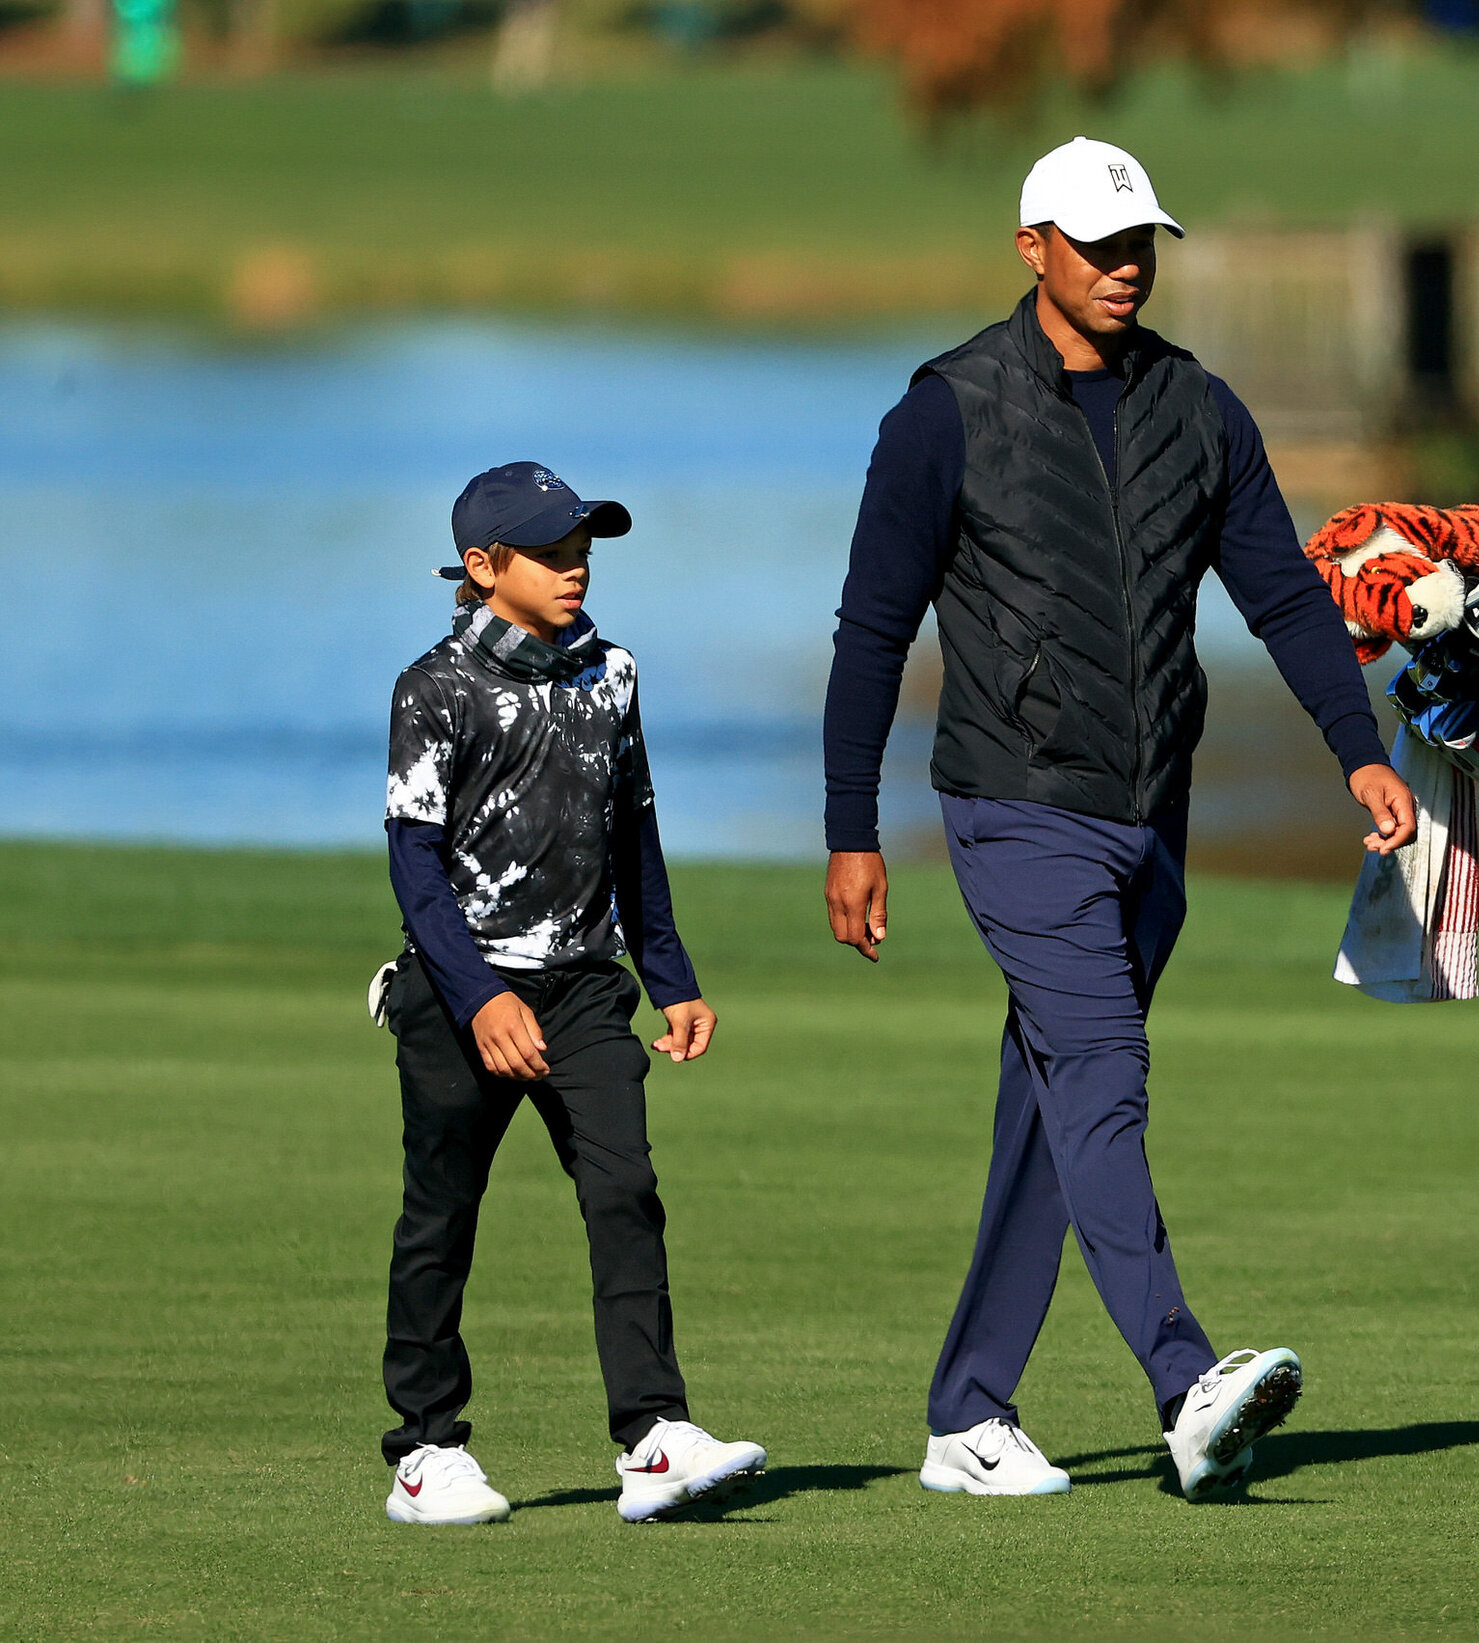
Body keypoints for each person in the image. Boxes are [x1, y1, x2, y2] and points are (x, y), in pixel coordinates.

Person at [821, 137, 1418, 1500]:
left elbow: (1280, 595)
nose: (1126, 265)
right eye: (1098, 245)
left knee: (1052, 1094)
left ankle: (970, 1413)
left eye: (1141, 241)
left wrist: (1357, 753)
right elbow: (870, 628)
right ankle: (1184, 1377)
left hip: (1152, 818)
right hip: (1014, 801)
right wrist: (852, 827)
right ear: (1031, 247)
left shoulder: (1198, 408)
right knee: (1102, 1071)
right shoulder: (948, 409)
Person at [377, 461, 766, 1524]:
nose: (575, 564)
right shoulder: (436, 685)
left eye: (582, 545)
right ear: (482, 565)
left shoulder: (614, 673)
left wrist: (671, 976)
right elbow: (414, 865)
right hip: (461, 992)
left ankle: (652, 1435)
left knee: (624, 1190)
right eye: (550, 551)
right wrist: (475, 997)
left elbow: (631, 833)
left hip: (588, 985)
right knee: (442, 1214)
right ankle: (424, 1448)